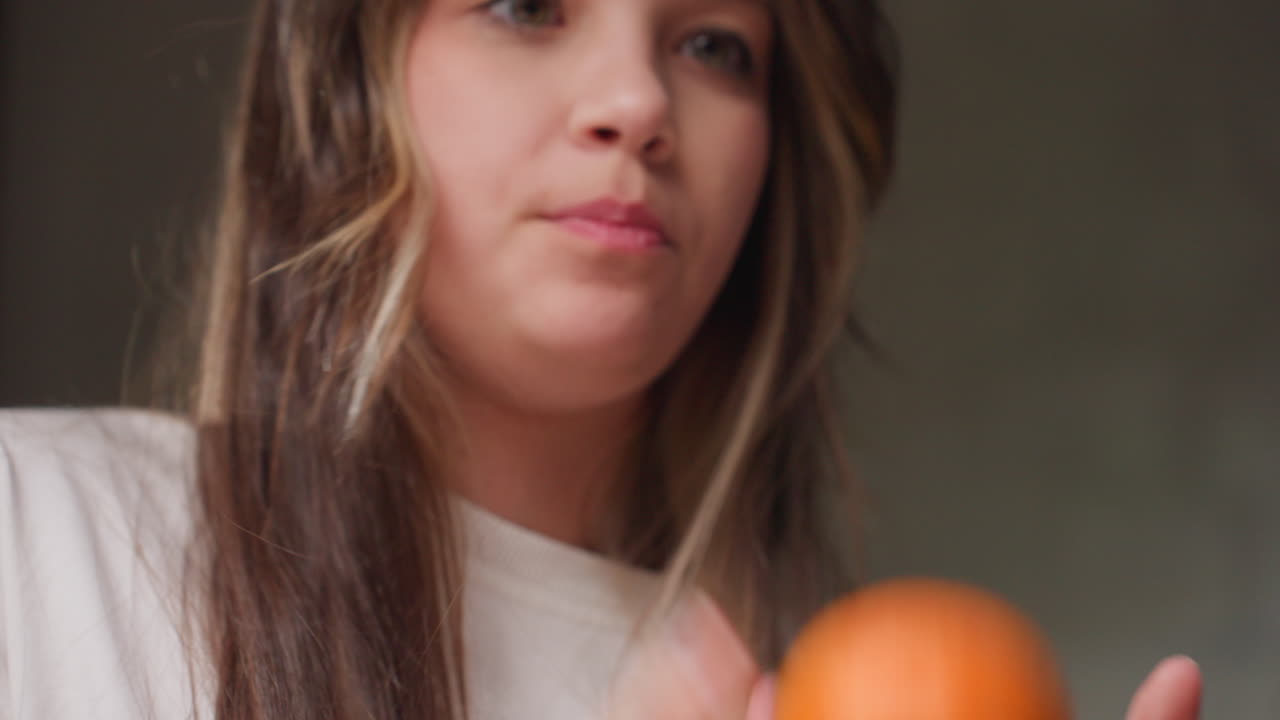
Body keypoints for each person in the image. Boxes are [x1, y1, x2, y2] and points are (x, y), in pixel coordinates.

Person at [0, 0, 1203, 718]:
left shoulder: (835, 695)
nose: (635, 100)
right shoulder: (36, 534)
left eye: (714, 44)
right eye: (527, 0)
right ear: (348, 69)